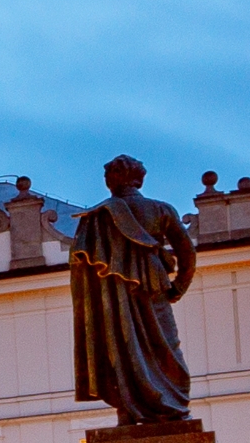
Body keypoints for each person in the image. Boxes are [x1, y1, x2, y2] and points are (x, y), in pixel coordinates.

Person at [71, 156, 201, 427]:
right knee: (165, 345)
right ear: (139, 179)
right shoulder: (161, 209)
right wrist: (179, 286)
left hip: (114, 295)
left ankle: (129, 410)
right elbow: (187, 251)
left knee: (123, 346)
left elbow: (83, 270)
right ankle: (171, 406)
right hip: (154, 286)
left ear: (111, 182)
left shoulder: (97, 216)